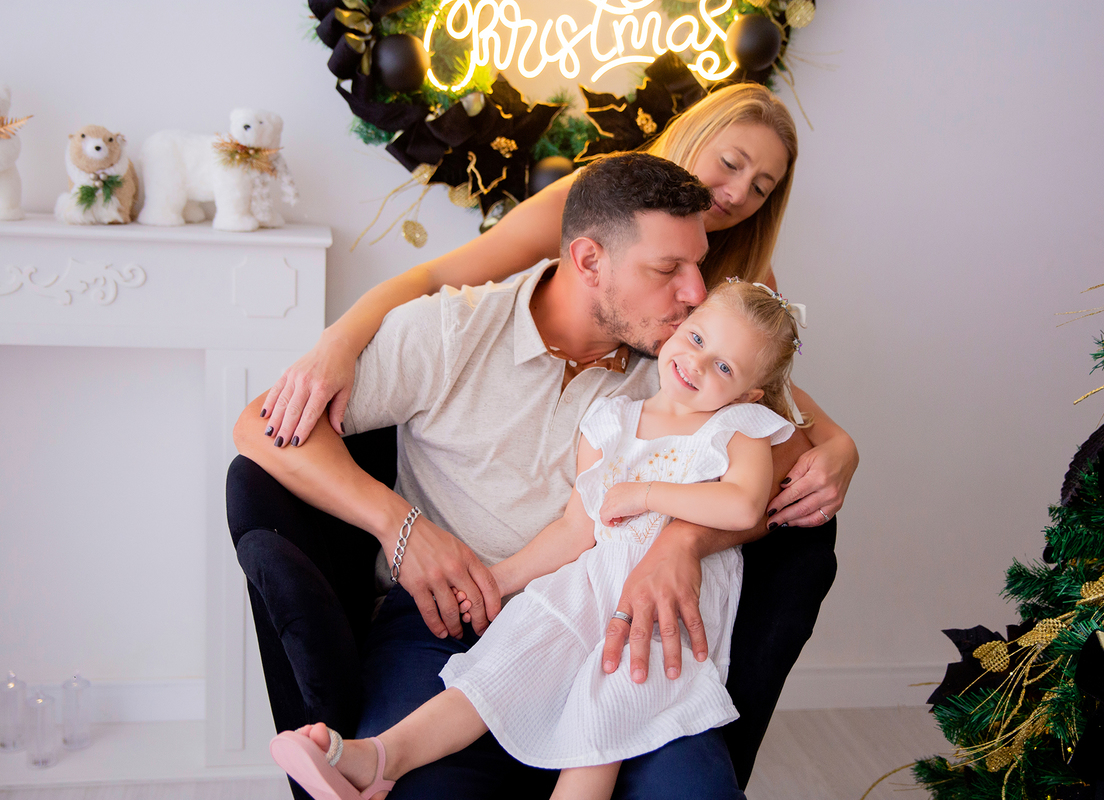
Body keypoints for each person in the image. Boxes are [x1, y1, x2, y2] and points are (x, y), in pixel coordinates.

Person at [268, 279, 804, 800]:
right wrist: (496, 582)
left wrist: (645, 494)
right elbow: (575, 530)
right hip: (587, 587)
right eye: (697, 338)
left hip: (659, 615)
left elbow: (742, 505)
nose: (698, 363)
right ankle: (379, 756)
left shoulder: (737, 428)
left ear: (750, 392)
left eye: (725, 367)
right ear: (681, 325)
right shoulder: (613, 419)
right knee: (497, 670)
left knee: (600, 726)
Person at [259, 83, 857, 531]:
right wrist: (336, 343)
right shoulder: (592, 204)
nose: (736, 193)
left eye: (761, 187)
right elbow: (436, 276)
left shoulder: (748, 268)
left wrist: (836, 443)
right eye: (731, 164)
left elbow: (757, 391)